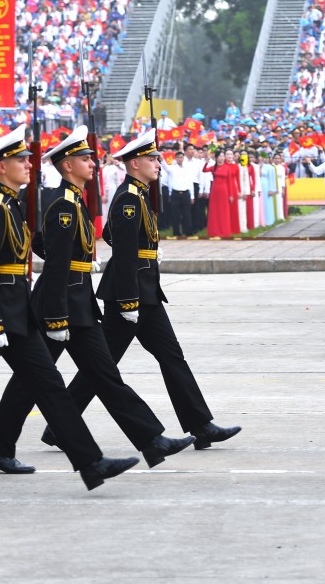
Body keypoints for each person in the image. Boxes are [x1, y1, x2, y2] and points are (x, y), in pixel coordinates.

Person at [0, 125, 140, 498]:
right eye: (20, 160)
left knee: (50, 385)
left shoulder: (11, 205)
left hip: (16, 312)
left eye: (26, 158)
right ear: (0, 167)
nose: (28, 164)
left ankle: (90, 462)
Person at [0, 126, 194, 472]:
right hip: (60, 305)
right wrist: (56, 317)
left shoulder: (73, 201)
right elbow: (55, 265)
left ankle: (151, 440)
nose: (93, 163)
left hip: (76, 302)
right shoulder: (64, 206)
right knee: (31, 382)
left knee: (105, 375)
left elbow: (43, 244)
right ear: (67, 165)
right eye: (85, 158)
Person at [57, 128, 242, 451]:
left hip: (142, 289)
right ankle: (200, 425)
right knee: (104, 366)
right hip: (131, 293)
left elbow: (114, 236)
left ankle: (200, 425)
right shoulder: (129, 199)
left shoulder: (137, 194)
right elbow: (123, 249)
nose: (159, 163)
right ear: (134, 164)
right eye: (152, 158)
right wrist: (129, 300)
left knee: (141, 360)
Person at [203, 150, 239, 238]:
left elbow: (230, 182)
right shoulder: (213, 167)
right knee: (214, 211)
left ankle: (224, 231)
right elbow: (204, 170)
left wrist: (230, 195)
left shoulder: (227, 168)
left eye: (223, 156)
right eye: (220, 156)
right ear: (216, 157)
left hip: (224, 190)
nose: (222, 158)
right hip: (215, 191)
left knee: (223, 211)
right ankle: (214, 230)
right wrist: (206, 162)